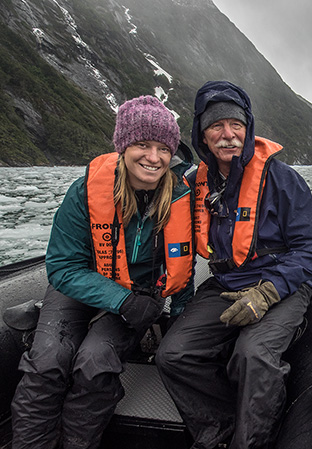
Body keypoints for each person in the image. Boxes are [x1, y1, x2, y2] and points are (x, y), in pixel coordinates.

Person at [11, 95, 195, 449]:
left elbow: (183, 267)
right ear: (123, 146)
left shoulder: (179, 199)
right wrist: (119, 300)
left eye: (162, 148)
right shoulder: (85, 191)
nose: (153, 158)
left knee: (95, 362)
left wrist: (180, 321)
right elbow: (63, 266)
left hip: (138, 293)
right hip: (82, 289)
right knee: (47, 359)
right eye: (143, 144)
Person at [155, 80, 312, 449]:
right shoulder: (193, 183)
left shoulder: (283, 180)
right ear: (202, 134)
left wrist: (267, 294)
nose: (228, 135)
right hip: (226, 282)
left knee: (253, 354)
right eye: (216, 126)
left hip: (280, 284)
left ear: (248, 129)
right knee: (173, 355)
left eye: (236, 125)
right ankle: (220, 429)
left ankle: (252, 441)